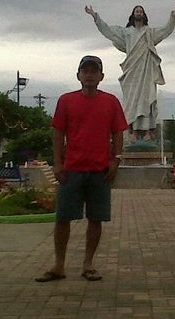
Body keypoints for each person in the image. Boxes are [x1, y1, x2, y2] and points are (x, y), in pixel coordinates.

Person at [36, 55, 128, 283]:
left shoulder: (111, 102)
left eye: (94, 71)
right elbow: (58, 132)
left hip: (100, 171)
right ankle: (59, 265)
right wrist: (57, 163)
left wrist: (116, 160)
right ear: (78, 75)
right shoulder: (66, 101)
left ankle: (88, 264)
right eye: (85, 71)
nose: (89, 75)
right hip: (72, 170)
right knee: (63, 218)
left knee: (96, 219)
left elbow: (118, 132)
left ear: (101, 76)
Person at [85, 3, 175, 143]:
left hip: (146, 70)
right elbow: (109, 31)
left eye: (141, 11)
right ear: (133, 14)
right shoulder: (126, 32)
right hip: (132, 71)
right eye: (137, 11)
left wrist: (173, 18)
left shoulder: (150, 32)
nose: (139, 13)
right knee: (133, 101)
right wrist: (96, 17)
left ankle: (148, 131)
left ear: (144, 15)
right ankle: (134, 132)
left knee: (147, 99)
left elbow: (165, 31)